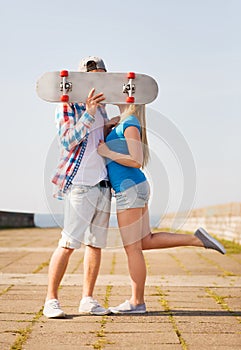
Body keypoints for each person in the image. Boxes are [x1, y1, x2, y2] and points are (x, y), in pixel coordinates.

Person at [97, 103, 226, 314]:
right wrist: (108, 128)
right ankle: (197, 239)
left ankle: (136, 302)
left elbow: (136, 160)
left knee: (133, 248)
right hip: (134, 188)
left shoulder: (130, 123)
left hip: (129, 190)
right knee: (145, 241)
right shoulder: (123, 123)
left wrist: (107, 152)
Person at [43, 56, 119, 318]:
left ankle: (88, 298)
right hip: (80, 186)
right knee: (68, 243)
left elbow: (98, 142)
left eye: (102, 76)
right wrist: (87, 112)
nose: (98, 81)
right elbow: (67, 141)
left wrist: (110, 125)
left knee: (95, 245)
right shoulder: (67, 106)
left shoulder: (103, 108)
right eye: (93, 76)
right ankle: (50, 300)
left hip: (102, 184)